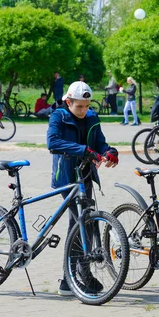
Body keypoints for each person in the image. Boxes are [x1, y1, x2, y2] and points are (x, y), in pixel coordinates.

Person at [46, 81, 119, 296]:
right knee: (78, 221)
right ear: (68, 102)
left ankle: (75, 275)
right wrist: (84, 150)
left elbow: (100, 144)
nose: (84, 110)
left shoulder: (92, 117)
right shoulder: (59, 116)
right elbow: (53, 143)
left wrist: (110, 151)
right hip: (66, 177)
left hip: (85, 175)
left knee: (85, 221)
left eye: (87, 105)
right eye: (79, 106)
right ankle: (71, 276)